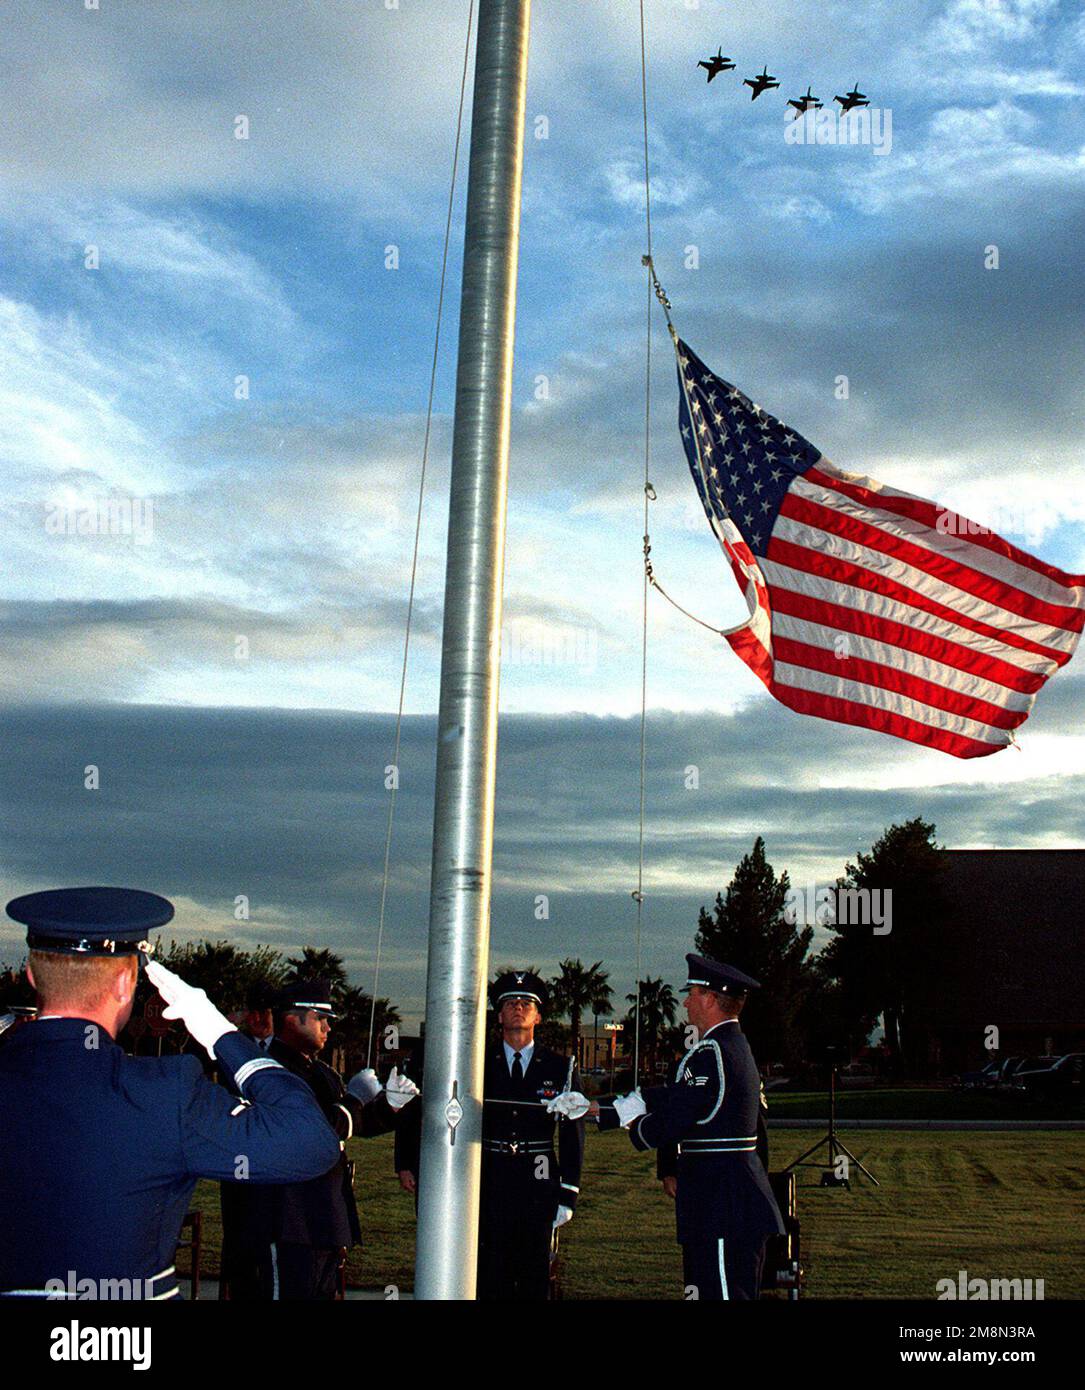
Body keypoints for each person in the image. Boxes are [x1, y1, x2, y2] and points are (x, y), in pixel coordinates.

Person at [0, 886, 341, 1301]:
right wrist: (221, 1034)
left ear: (33, 975)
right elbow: (310, 1140)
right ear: (127, 983)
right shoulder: (163, 1093)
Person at [553, 952, 783, 1301]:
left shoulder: (713, 1054)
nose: (687, 1002)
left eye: (692, 993)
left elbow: (670, 1122)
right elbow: (673, 1096)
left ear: (709, 998)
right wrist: (594, 1108)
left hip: (722, 1205)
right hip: (724, 1202)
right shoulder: (730, 1046)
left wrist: (631, 1122)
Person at [395, 970, 585, 1300]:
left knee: (533, 1278)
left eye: (527, 1003)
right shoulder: (474, 1063)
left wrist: (568, 1192)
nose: (518, 1008)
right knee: (487, 1275)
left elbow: (573, 1134)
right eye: (510, 1003)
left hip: (537, 1183)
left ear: (538, 1016)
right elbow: (430, 1108)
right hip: (486, 1183)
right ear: (499, 1015)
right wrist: (407, 1161)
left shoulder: (560, 1067)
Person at [225, 978, 419, 1301]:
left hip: (323, 1221)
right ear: (292, 1019)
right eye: (320, 1018)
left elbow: (354, 1125)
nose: (328, 1028)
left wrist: (389, 1105)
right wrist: (355, 1098)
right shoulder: (270, 1073)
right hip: (286, 1223)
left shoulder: (320, 1072)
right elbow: (316, 1132)